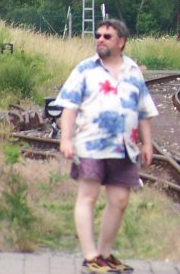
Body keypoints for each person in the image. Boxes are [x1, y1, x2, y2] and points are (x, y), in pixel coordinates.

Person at [54, 19, 158, 274]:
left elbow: (143, 110)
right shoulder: (85, 69)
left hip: (124, 146)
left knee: (120, 200)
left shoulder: (133, 70)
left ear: (121, 42)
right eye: (98, 35)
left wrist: (148, 144)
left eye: (107, 36)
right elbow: (69, 107)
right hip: (90, 143)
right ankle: (90, 257)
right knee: (88, 196)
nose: (100, 39)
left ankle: (104, 253)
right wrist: (66, 138)